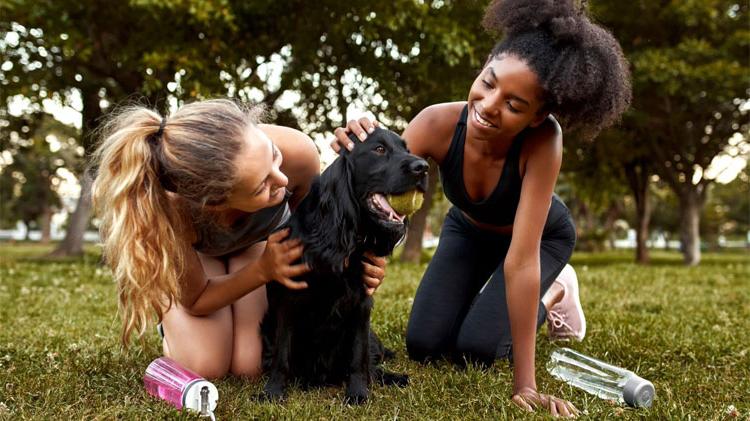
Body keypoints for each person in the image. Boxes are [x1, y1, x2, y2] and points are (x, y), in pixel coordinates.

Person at [333, 0, 631, 417]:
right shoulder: (435, 124)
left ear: (537, 115)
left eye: (514, 105)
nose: (490, 105)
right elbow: (380, 186)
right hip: (469, 229)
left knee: (478, 348)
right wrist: (354, 148)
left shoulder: (544, 142)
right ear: (485, 64)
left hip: (537, 239)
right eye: (489, 83)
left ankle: (559, 288)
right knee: (424, 345)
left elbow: (521, 262)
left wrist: (525, 385)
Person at [91, 99, 387, 379]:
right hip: (201, 264)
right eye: (262, 187)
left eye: (273, 156)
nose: (281, 181)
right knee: (205, 365)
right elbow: (199, 300)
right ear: (214, 203)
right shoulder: (169, 208)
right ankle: (169, 318)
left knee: (251, 366)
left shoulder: (297, 154)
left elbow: (319, 236)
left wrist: (363, 261)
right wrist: (263, 271)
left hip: (260, 246)